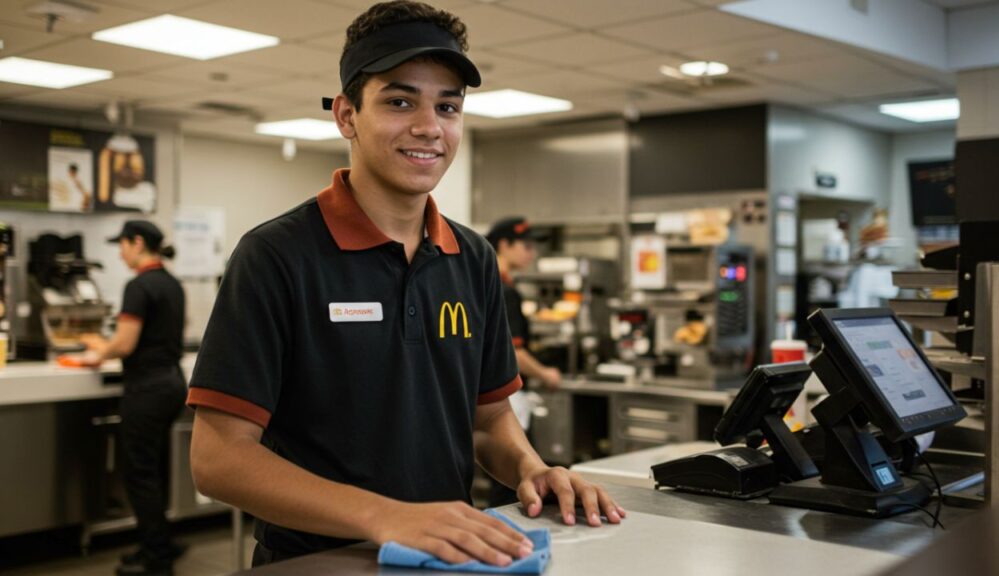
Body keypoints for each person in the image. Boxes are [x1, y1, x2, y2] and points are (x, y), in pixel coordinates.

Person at [186, 0, 624, 568]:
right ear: (347, 116)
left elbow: (488, 420)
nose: (428, 126)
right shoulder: (277, 255)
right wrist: (384, 516)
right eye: (399, 101)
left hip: (448, 555)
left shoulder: (472, 259)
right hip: (321, 562)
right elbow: (218, 457)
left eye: (448, 106)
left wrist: (531, 469)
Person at [79, 220, 186, 576]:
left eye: (122, 245)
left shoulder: (138, 285)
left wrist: (98, 352)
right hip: (172, 385)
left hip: (147, 389)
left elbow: (124, 344)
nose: (121, 253)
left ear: (137, 243)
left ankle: (156, 556)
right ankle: (160, 542)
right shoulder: (171, 283)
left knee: (139, 473)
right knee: (156, 469)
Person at [486, 217, 562, 391]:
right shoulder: (504, 292)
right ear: (504, 245)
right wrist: (545, 374)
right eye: (526, 246)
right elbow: (513, 352)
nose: (532, 254)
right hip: (508, 391)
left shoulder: (485, 283)